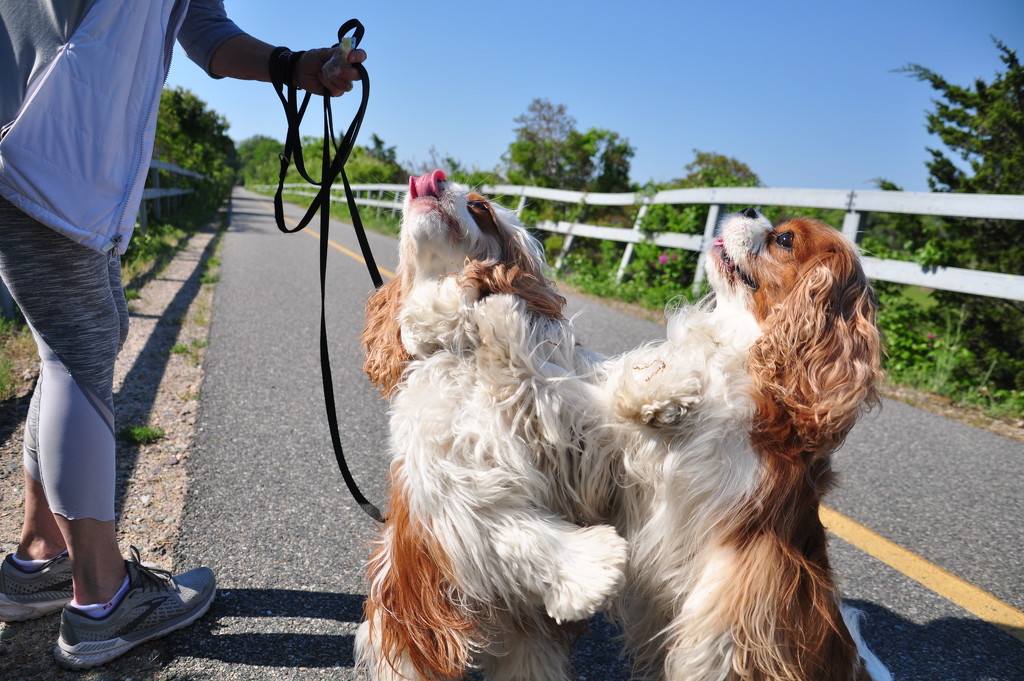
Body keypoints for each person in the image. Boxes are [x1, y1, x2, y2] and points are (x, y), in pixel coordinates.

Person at [0, 0, 366, 670]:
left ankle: (40, 554)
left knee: (82, 343)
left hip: (53, 140)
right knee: (75, 355)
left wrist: (294, 67)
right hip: (50, 140)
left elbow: (203, 30)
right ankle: (101, 601)